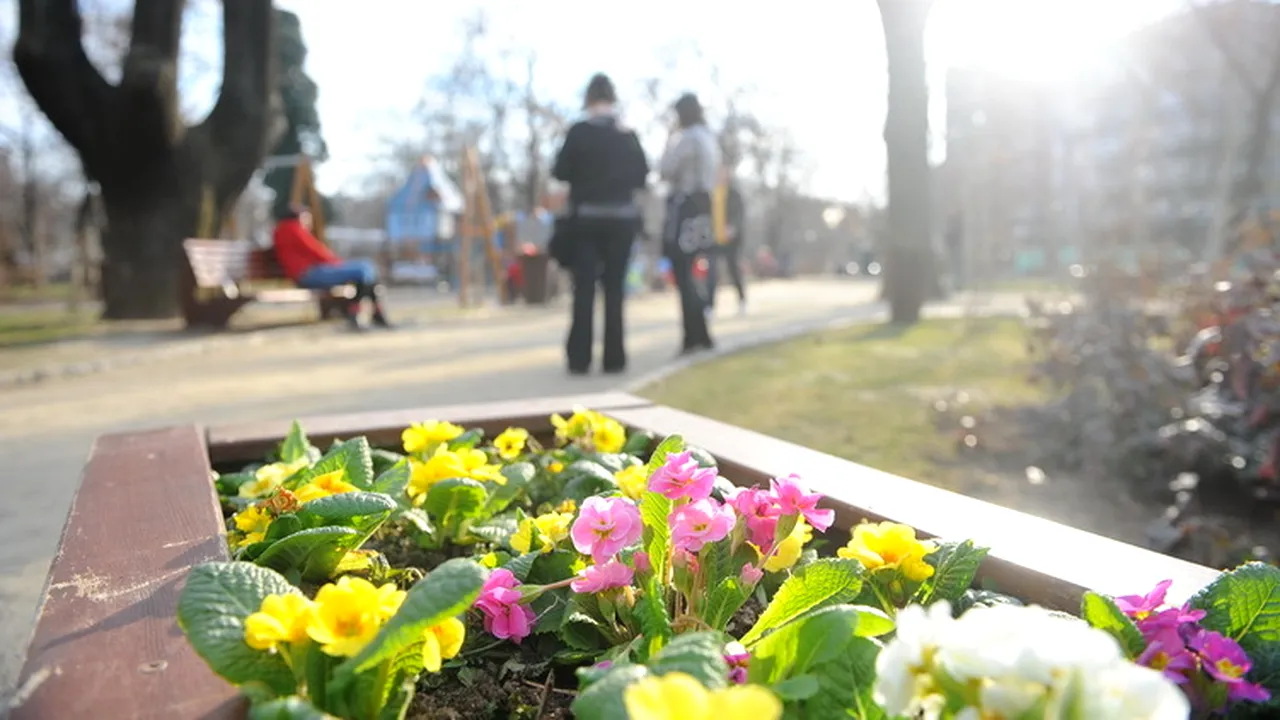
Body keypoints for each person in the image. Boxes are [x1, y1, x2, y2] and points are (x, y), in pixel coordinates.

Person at [551, 73, 650, 375]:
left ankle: (579, 358)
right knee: (615, 289)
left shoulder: (579, 132)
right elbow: (642, 175)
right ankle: (614, 357)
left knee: (584, 289)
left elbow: (560, 170)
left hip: (586, 221)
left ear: (589, 99)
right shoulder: (627, 136)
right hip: (621, 220)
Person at [659, 93, 719, 355]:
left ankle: (692, 335)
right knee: (697, 272)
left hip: (686, 209)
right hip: (705, 208)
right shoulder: (709, 138)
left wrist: (669, 138)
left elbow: (666, 170)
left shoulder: (686, 139)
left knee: (684, 272)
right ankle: (701, 332)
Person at [272, 207, 390, 329]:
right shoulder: (294, 229)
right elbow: (316, 250)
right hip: (308, 274)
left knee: (366, 270)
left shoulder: (284, 230)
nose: (309, 222)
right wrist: (337, 263)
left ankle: (365, 313)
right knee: (363, 270)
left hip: (307, 272)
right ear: (300, 217)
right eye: (307, 218)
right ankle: (362, 313)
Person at [706, 162, 748, 316]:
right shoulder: (711, 192)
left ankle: (742, 300)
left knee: (733, 270)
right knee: (711, 272)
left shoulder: (734, 194)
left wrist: (733, 228)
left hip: (731, 240)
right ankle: (709, 306)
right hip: (713, 239)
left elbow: (739, 215)